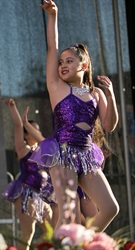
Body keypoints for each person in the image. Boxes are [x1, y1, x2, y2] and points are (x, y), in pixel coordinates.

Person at [30, 0, 119, 231]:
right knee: (69, 214)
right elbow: (52, 47)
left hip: (87, 154)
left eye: (70, 61)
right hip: (63, 152)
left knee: (110, 208)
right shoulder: (57, 87)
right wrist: (53, 16)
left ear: (84, 65)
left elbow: (109, 125)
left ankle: (82, 243)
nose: (63, 65)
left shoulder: (96, 93)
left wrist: (110, 95)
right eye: (61, 62)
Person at [3, 99, 56, 250]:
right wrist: (13, 108)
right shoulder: (23, 149)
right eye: (31, 130)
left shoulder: (43, 150)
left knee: (51, 231)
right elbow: (18, 125)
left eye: (36, 130)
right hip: (26, 194)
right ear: (26, 134)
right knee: (28, 231)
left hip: (42, 195)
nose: (35, 132)